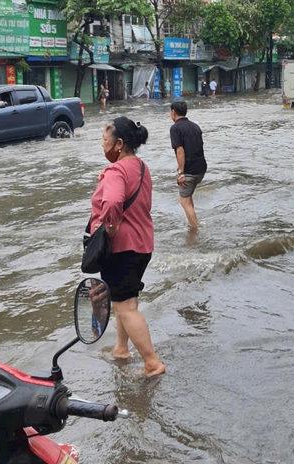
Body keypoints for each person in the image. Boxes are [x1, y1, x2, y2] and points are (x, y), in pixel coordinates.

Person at [90, 116, 165, 377]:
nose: (103, 145)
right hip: (143, 244)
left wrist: (110, 227)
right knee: (125, 299)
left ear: (119, 144)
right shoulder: (140, 167)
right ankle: (121, 348)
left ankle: (152, 363)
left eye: (104, 140)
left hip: (121, 249)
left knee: (125, 307)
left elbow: (111, 203)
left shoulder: (116, 171)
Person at [169, 100, 207, 230]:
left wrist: (181, 173)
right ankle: (193, 222)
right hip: (201, 168)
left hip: (189, 170)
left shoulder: (175, 128)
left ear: (173, 112)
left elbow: (180, 151)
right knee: (188, 198)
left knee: (184, 201)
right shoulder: (195, 126)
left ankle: (195, 229)